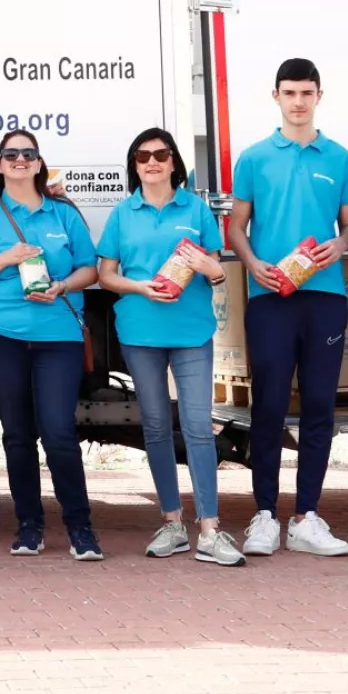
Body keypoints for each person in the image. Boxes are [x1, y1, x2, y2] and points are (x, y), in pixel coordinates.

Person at [227, 58, 348, 558]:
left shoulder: (340, 158)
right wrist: (252, 262)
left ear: (318, 96)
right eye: (290, 92)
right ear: (276, 96)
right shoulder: (254, 158)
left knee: (320, 406)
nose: (298, 101)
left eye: (306, 92)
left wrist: (340, 244)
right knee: (269, 406)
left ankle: (307, 516)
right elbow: (236, 226)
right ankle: (264, 514)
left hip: (325, 298)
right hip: (270, 298)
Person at [0, 129, 102, 560]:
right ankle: (29, 526)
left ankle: (81, 528)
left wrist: (61, 286)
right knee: (18, 434)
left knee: (58, 432)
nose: (19, 159)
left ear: (39, 163)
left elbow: (90, 270)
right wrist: (6, 257)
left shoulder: (63, 214)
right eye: (11, 154)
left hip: (58, 335)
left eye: (28, 153)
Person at [96, 127, 237, 565]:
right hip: (140, 333)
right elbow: (105, 275)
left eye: (160, 154)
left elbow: (217, 268)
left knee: (198, 427)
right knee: (156, 427)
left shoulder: (195, 209)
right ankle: (172, 523)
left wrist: (210, 267)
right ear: (134, 165)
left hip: (192, 332)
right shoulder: (123, 213)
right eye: (143, 157)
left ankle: (210, 528)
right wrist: (140, 287)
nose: (152, 162)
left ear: (174, 161)